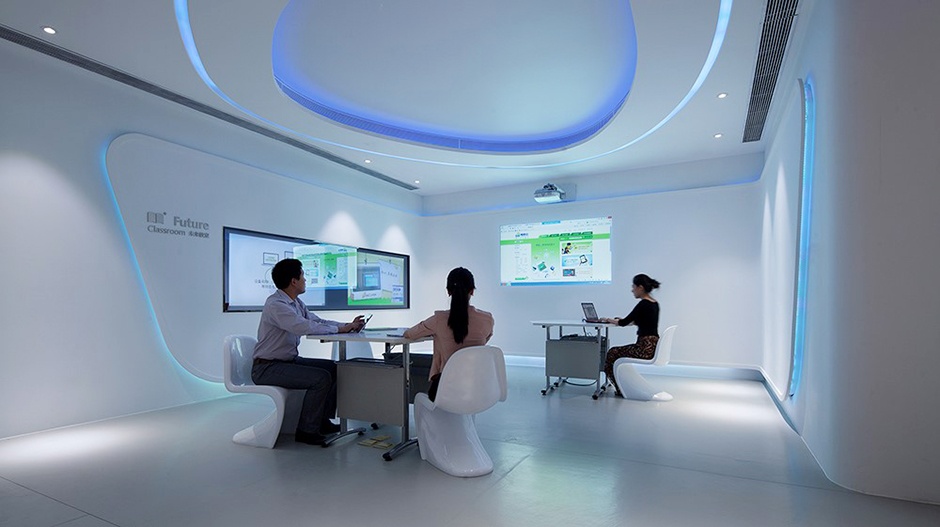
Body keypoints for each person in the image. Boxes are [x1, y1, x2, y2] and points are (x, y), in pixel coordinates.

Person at [252, 258, 365, 445]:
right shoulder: (276, 305)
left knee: (334, 368)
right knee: (320, 378)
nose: (305, 279)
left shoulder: (295, 302)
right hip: (267, 368)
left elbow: (317, 321)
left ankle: (321, 421)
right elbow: (303, 326)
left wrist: (347, 325)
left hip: (286, 361)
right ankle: (306, 430)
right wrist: (341, 329)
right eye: (303, 275)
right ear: (293, 281)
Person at [403, 267, 494, 401]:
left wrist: (436, 333)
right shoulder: (487, 319)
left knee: (419, 399)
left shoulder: (438, 320)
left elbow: (409, 334)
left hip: (445, 389)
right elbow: (485, 339)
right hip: (477, 389)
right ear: (472, 291)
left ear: (448, 291)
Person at [601, 273, 661, 396]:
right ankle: (620, 385)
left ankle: (619, 388)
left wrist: (608, 319)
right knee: (615, 353)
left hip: (644, 348)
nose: (632, 290)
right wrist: (620, 321)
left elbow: (623, 323)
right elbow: (640, 321)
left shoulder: (643, 304)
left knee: (612, 352)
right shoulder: (654, 304)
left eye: (633, 287)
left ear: (640, 287)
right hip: (652, 345)